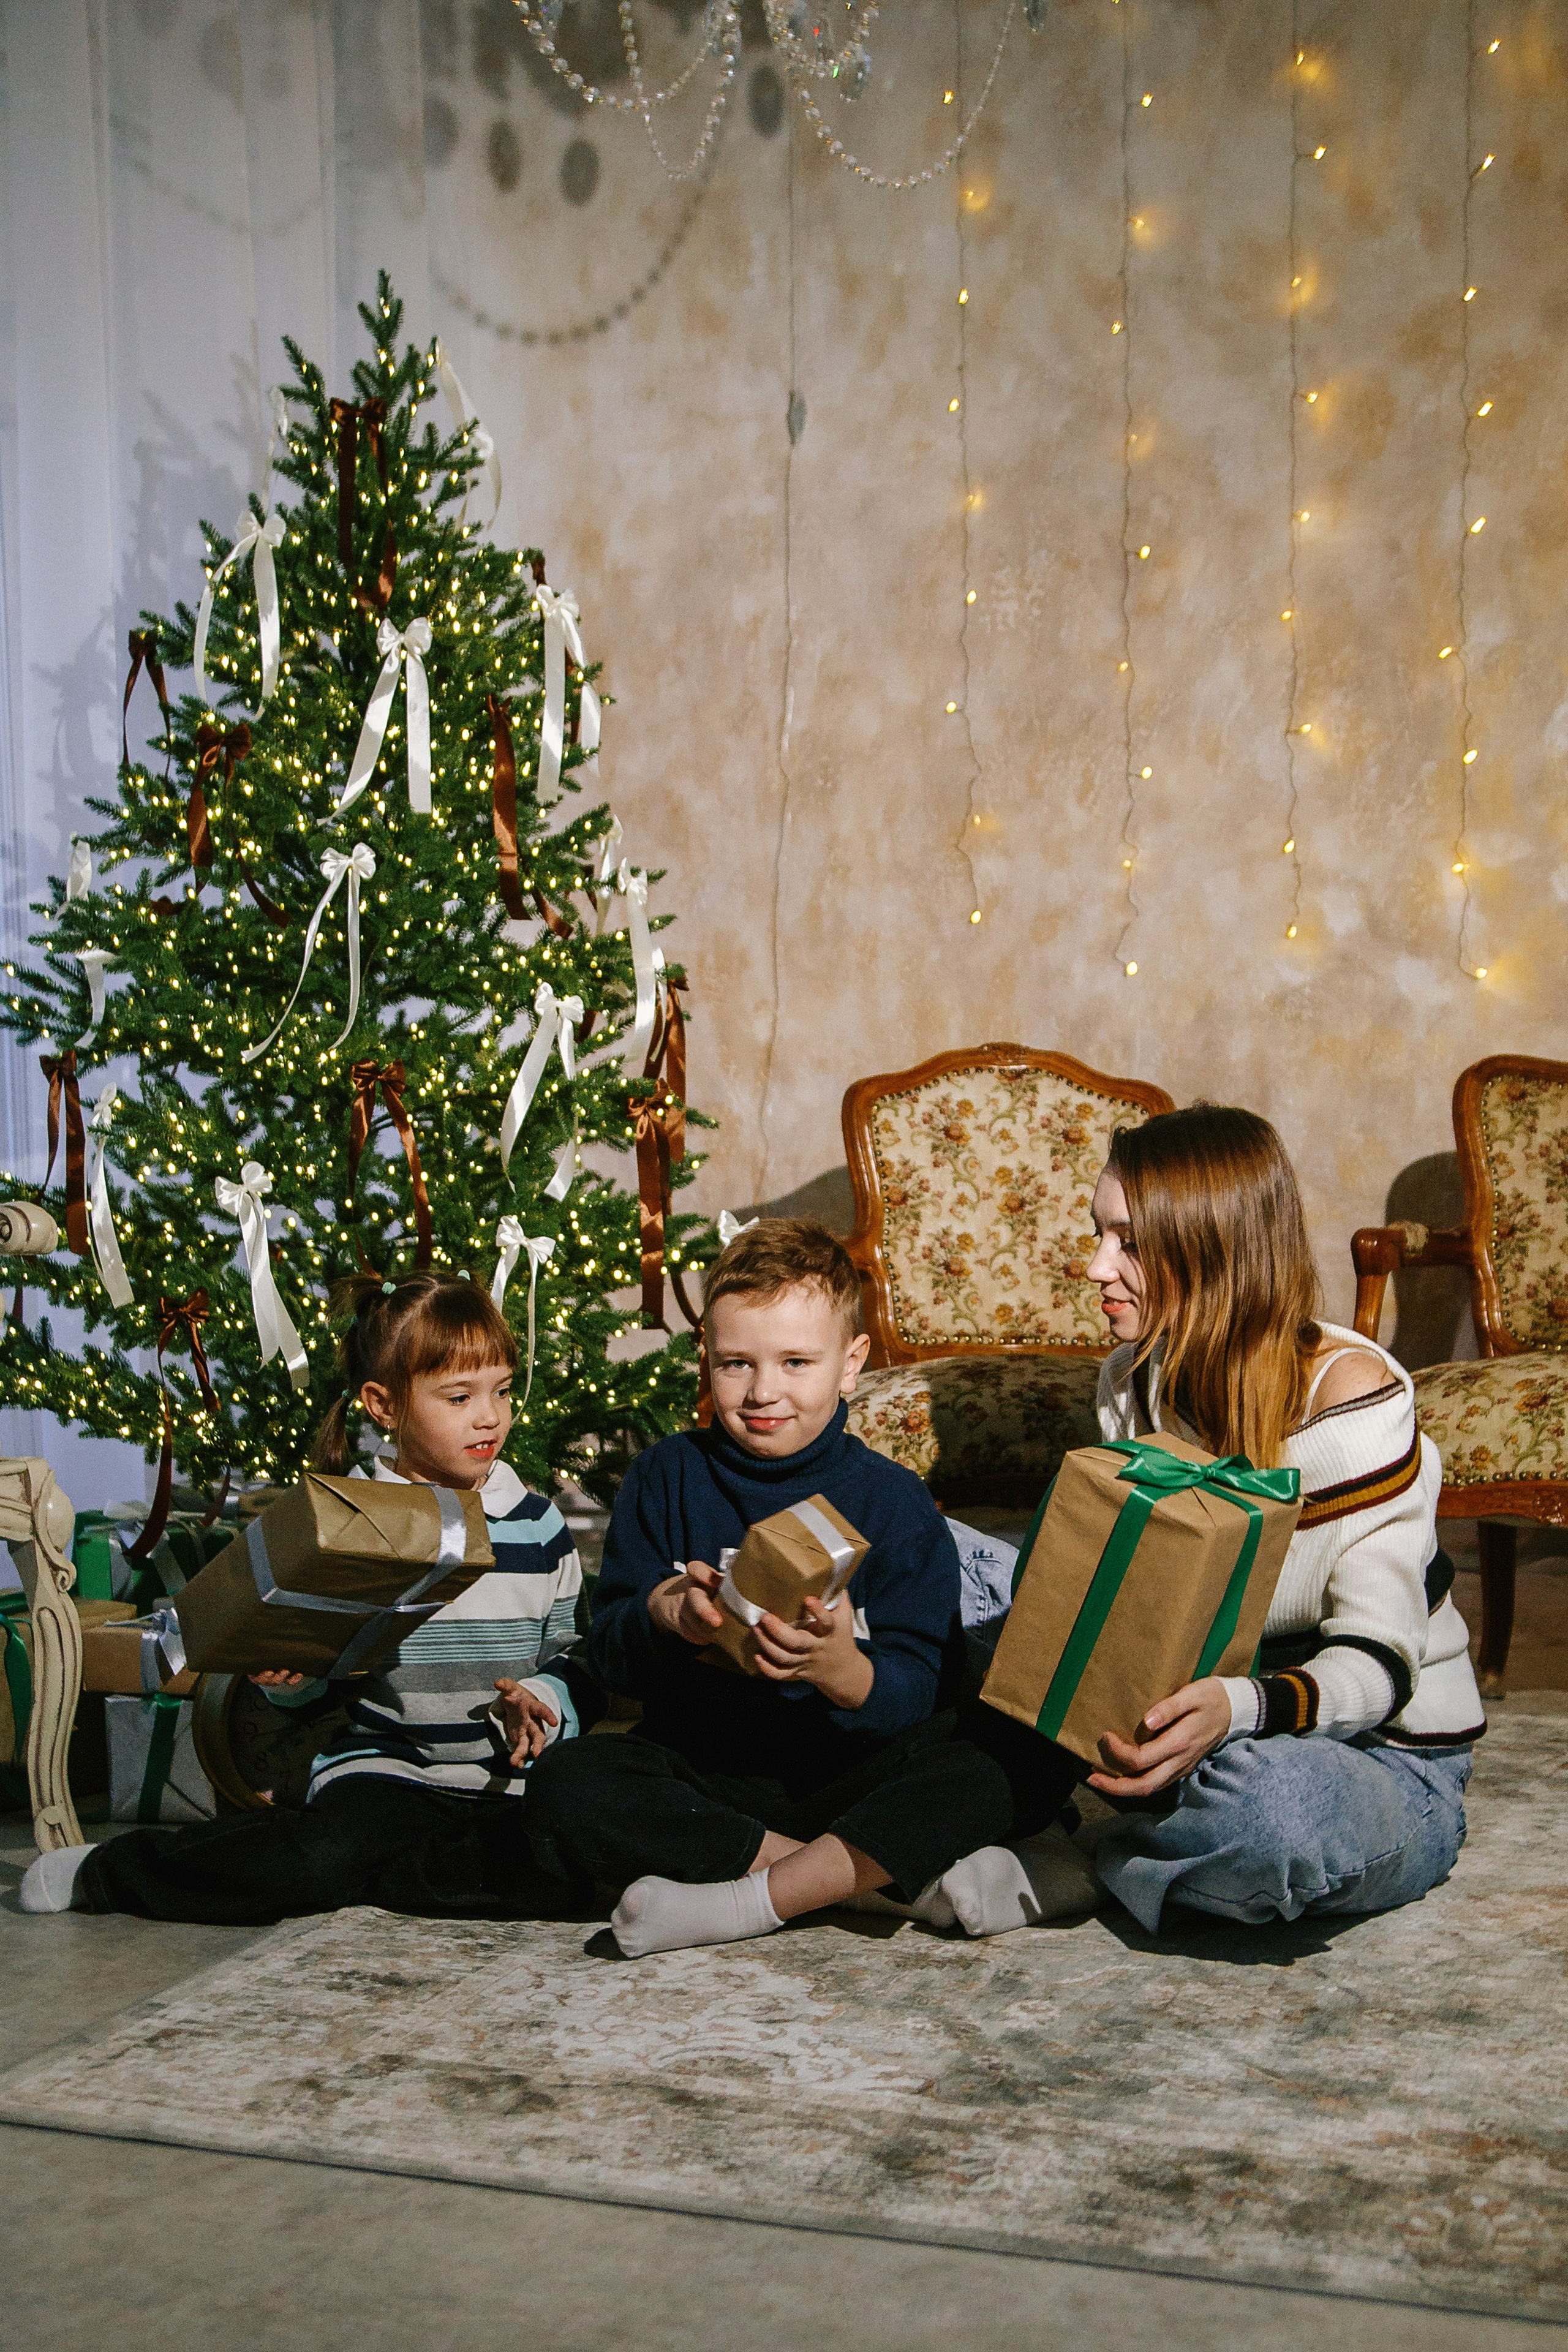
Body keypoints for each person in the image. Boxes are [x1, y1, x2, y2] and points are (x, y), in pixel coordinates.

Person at [937, 1102, 1485, 1938]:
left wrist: (1234, 1710)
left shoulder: (1354, 1399)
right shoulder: (1132, 1378)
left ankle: (1088, 1859)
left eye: (1127, 1241)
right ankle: (1123, 1831)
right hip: (1205, 1720)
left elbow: (1380, 1668)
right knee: (950, 1611)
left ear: (1212, 1246)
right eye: (1098, 1234)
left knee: (1275, 1815)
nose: (1094, 1267)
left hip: (1377, 1756)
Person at [525, 1218, 1076, 1956]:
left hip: (857, 1771)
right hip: (711, 1769)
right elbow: (613, 1657)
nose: (763, 1391)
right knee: (571, 1781)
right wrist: (665, 1615)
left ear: (850, 1365)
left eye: (794, 1362)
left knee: (1034, 1742)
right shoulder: (667, 1476)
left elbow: (922, 1684)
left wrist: (842, 1670)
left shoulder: (893, 1500)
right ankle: (866, 1883)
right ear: (705, 1359)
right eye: (735, 1365)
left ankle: (753, 1898)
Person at [21, 1271, 595, 1923]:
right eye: (459, 1396)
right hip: (384, 1774)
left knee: (556, 1883)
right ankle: (110, 1872)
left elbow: (571, 1653)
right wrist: (286, 1680)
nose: (489, 1416)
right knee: (315, 1860)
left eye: (499, 1391)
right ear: (384, 1405)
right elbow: (313, 1676)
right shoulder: (350, 1520)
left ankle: (387, 1874)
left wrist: (546, 1702)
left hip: (505, 1786)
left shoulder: (537, 1523)